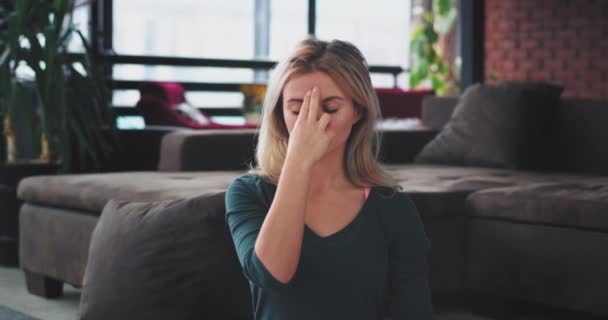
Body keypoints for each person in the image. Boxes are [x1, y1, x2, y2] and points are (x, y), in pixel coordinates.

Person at [225, 38, 433, 320]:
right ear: (278, 114)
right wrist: (299, 161)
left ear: (358, 111)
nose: (312, 123)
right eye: (297, 111)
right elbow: (271, 275)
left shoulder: (393, 208)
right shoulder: (248, 193)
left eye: (331, 108)